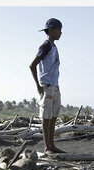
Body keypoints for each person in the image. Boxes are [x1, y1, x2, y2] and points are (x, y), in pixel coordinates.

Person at [29, 18, 66, 154]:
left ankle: (52, 145)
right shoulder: (45, 46)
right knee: (46, 117)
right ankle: (47, 147)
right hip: (47, 86)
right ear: (50, 30)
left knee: (54, 116)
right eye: (58, 30)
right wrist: (38, 86)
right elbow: (32, 65)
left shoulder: (54, 47)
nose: (60, 33)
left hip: (55, 86)